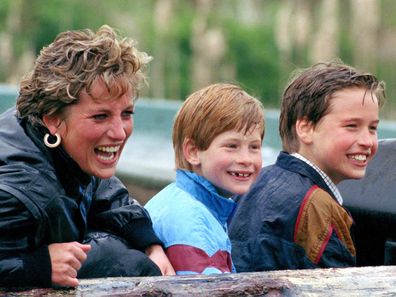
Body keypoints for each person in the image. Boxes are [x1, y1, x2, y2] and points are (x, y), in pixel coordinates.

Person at [0, 25, 175, 288]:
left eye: (127, 114)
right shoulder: (18, 192)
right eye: (100, 116)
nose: (119, 132)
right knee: (126, 264)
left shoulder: (54, 138)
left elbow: (101, 187)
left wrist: (149, 242)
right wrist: (37, 266)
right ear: (53, 120)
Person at [229, 61, 386, 272]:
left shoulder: (255, 182)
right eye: (351, 126)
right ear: (305, 128)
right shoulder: (319, 208)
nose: (367, 141)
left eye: (373, 128)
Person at [145, 83, 265, 275]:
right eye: (232, 146)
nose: (246, 159)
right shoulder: (194, 225)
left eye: (254, 147)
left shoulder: (180, 199)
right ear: (193, 152)